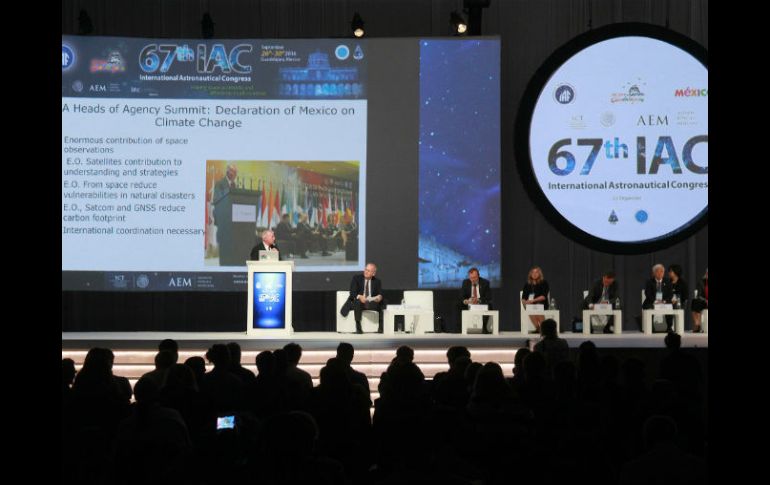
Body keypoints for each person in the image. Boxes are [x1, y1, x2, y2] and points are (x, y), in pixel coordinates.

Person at [340, 263, 384, 333]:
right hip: (359, 303)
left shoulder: (377, 281)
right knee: (358, 302)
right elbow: (352, 293)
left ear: (373, 273)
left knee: (383, 302)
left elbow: (380, 293)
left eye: (368, 271)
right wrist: (360, 297)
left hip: (370, 303)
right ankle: (358, 328)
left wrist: (379, 297)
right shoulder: (357, 278)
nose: (366, 272)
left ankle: (381, 328)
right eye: (365, 269)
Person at [211, 164, 239, 265]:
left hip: (233, 218)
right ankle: (224, 260)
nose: (235, 174)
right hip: (223, 218)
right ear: (228, 172)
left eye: (236, 172)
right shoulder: (220, 183)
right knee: (223, 243)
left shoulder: (235, 185)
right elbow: (216, 199)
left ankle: (231, 258)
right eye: (233, 172)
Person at [460, 267, 493, 334]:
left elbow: (488, 297)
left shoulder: (485, 283)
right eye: (471, 278)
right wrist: (465, 301)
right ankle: (459, 328)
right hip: (469, 303)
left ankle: (484, 327)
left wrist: (478, 300)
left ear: (478, 276)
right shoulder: (465, 282)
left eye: (474, 277)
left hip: (481, 303)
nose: (473, 280)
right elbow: (462, 296)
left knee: (489, 305)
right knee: (457, 305)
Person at [643, 263, 674, 332]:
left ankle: (669, 327)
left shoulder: (668, 281)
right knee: (648, 306)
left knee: (671, 306)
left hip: (664, 302)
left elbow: (670, 294)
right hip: (652, 301)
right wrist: (655, 301)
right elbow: (647, 294)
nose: (660, 274)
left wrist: (664, 301)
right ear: (654, 273)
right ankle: (650, 327)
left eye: (662, 272)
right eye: (657, 272)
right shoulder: (649, 282)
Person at [521, 266, 550, 333]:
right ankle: (538, 328)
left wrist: (533, 301)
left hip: (542, 304)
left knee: (537, 308)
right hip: (530, 305)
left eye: (536, 272)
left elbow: (543, 296)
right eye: (533, 272)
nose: (534, 274)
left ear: (539, 274)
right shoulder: (527, 284)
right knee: (530, 309)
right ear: (530, 274)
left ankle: (543, 328)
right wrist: (525, 303)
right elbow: (523, 297)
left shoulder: (544, 283)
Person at [691, 268, 708, 333]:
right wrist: (706, 300)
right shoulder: (701, 282)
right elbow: (699, 295)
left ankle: (698, 325)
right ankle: (697, 324)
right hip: (704, 302)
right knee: (695, 301)